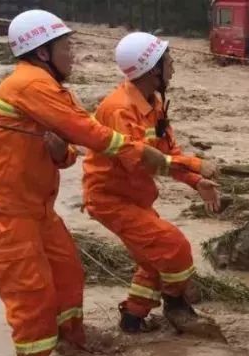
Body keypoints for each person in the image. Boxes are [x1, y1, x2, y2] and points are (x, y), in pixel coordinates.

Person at [0, 10, 214, 356]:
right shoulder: (31, 85)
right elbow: (94, 135)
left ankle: (76, 339)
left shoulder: (52, 91)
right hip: (4, 210)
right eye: (67, 46)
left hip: (39, 208)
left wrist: (56, 151)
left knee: (69, 276)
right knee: (31, 291)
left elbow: (68, 152)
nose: (73, 54)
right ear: (43, 52)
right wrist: (184, 164)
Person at [82, 32, 223, 336]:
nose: (173, 67)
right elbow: (143, 159)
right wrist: (197, 165)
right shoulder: (119, 109)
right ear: (153, 69)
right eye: (168, 61)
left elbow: (169, 154)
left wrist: (197, 181)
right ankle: (176, 306)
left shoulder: (154, 102)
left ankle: (133, 319)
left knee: (152, 261)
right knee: (175, 247)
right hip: (110, 199)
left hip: (135, 197)